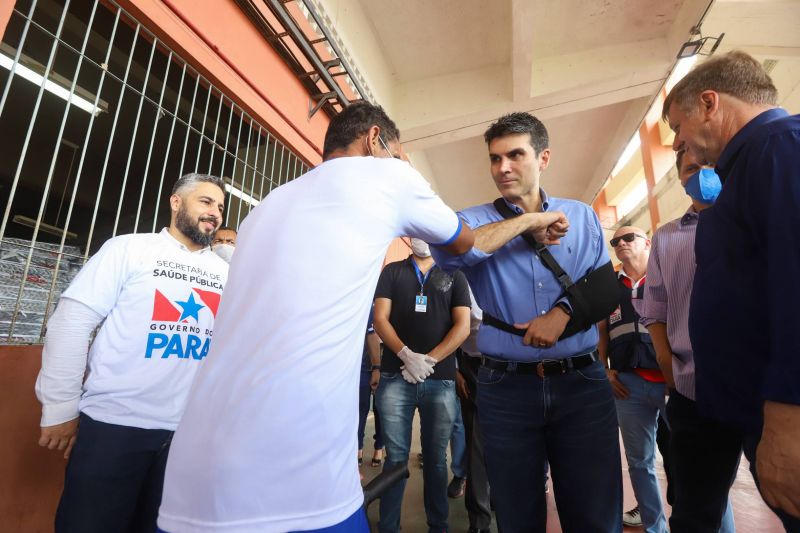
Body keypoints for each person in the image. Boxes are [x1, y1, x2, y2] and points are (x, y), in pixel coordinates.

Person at [158, 102, 478, 533]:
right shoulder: (389, 176)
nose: (402, 163)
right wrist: (530, 220)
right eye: (398, 153)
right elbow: (464, 242)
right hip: (296, 480)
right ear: (374, 140)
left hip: (194, 479)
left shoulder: (266, 206)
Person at [433, 112, 621, 532]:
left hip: (583, 384)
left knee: (595, 514)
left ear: (544, 158)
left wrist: (563, 315)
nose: (503, 168)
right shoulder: (473, 221)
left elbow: (607, 290)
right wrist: (530, 220)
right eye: (495, 158)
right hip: (506, 389)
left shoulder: (583, 216)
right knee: (517, 515)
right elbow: (454, 253)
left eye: (515, 155)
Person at [35, 173, 229, 532]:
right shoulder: (128, 249)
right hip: (115, 426)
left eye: (219, 206)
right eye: (205, 201)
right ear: (175, 202)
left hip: (186, 436)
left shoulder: (225, 273)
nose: (214, 212)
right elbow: (71, 322)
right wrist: (59, 406)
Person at [665, 50, 800, 528]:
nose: (679, 141)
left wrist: (787, 421)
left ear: (708, 103)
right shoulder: (744, 171)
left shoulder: (781, 148)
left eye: (677, 126)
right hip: (752, 410)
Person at [640, 150, 736, 532]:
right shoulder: (666, 237)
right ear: (680, 180)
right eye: (692, 168)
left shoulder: (754, 219)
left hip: (758, 387)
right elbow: (655, 309)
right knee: (695, 508)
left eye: (709, 164)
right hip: (692, 390)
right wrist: (668, 365)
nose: (703, 173)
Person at [373, 237, 471, 533]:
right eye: (415, 231)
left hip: (439, 379)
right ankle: (389, 526)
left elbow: (463, 325)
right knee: (396, 459)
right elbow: (379, 318)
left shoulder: (454, 273)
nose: (421, 238)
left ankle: (437, 526)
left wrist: (427, 360)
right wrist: (405, 354)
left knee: (436, 459)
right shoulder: (392, 271)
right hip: (395, 376)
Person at [598, 226, 669, 533]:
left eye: (629, 238)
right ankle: (656, 527)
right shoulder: (611, 287)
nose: (622, 244)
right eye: (616, 241)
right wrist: (604, 370)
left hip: (672, 385)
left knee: (689, 460)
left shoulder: (665, 276)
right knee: (639, 463)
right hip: (628, 386)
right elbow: (601, 331)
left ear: (647, 243)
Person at [455, 288, 493, 533]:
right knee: (477, 445)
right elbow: (448, 323)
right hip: (472, 365)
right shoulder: (456, 273)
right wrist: (456, 368)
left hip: (507, 364)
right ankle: (479, 521)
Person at [357, 306, 384, 468]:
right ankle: (358, 446)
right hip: (361, 364)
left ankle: (379, 447)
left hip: (383, 360)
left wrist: (377, 367)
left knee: (381, 407)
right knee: (361, 407)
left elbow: (371, 333)